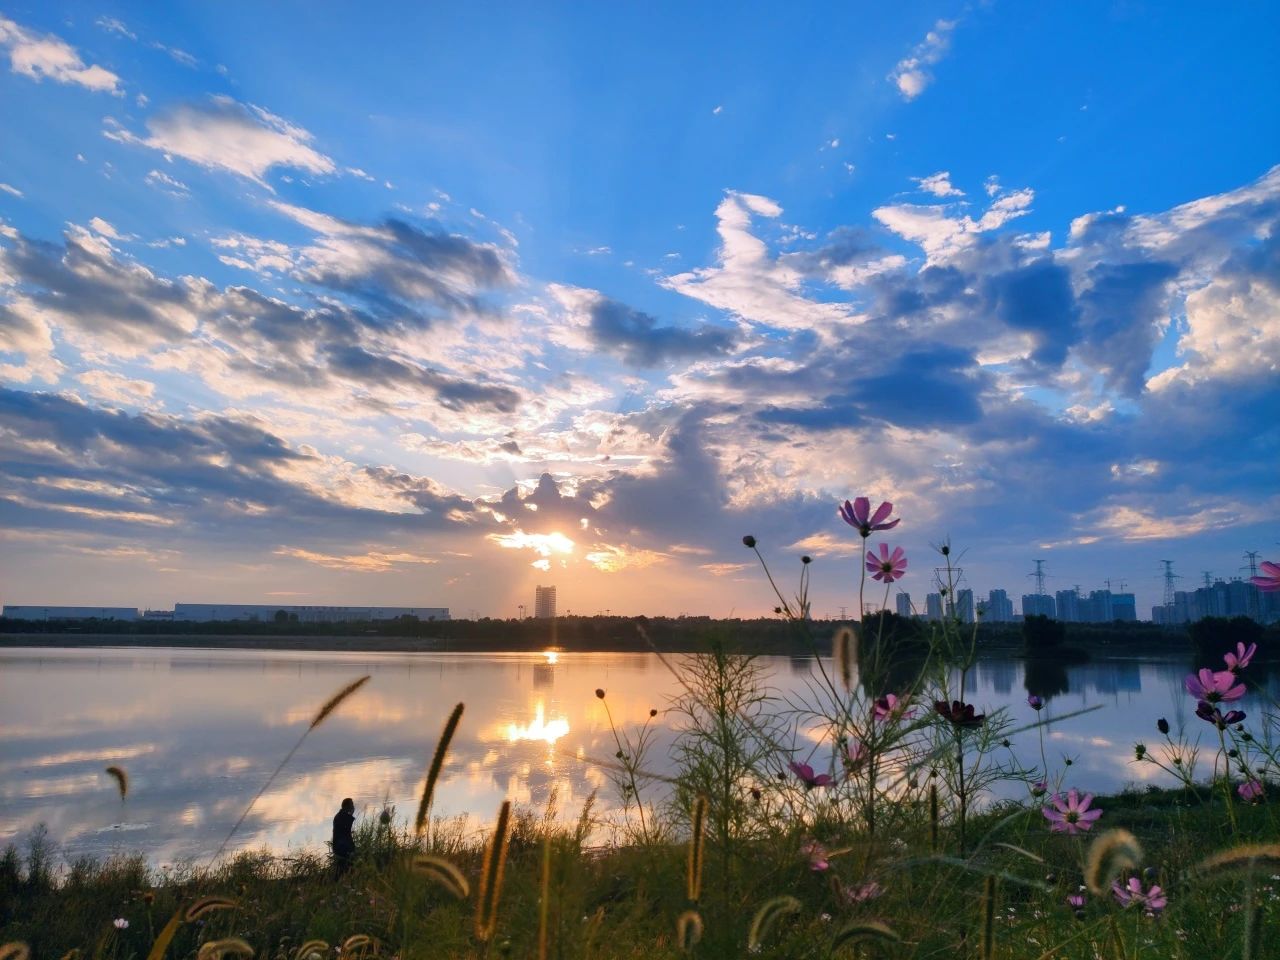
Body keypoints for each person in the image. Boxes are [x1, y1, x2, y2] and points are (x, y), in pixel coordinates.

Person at [332, 797, 356, 875]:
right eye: (352, 804)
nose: (353, 806)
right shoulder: (342, 816)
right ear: (347, 806)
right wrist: (351, 814)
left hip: (341, 846)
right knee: (344, 869)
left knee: (343, 869)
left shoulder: (340, 815)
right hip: (342, 847)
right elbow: (347, 831)